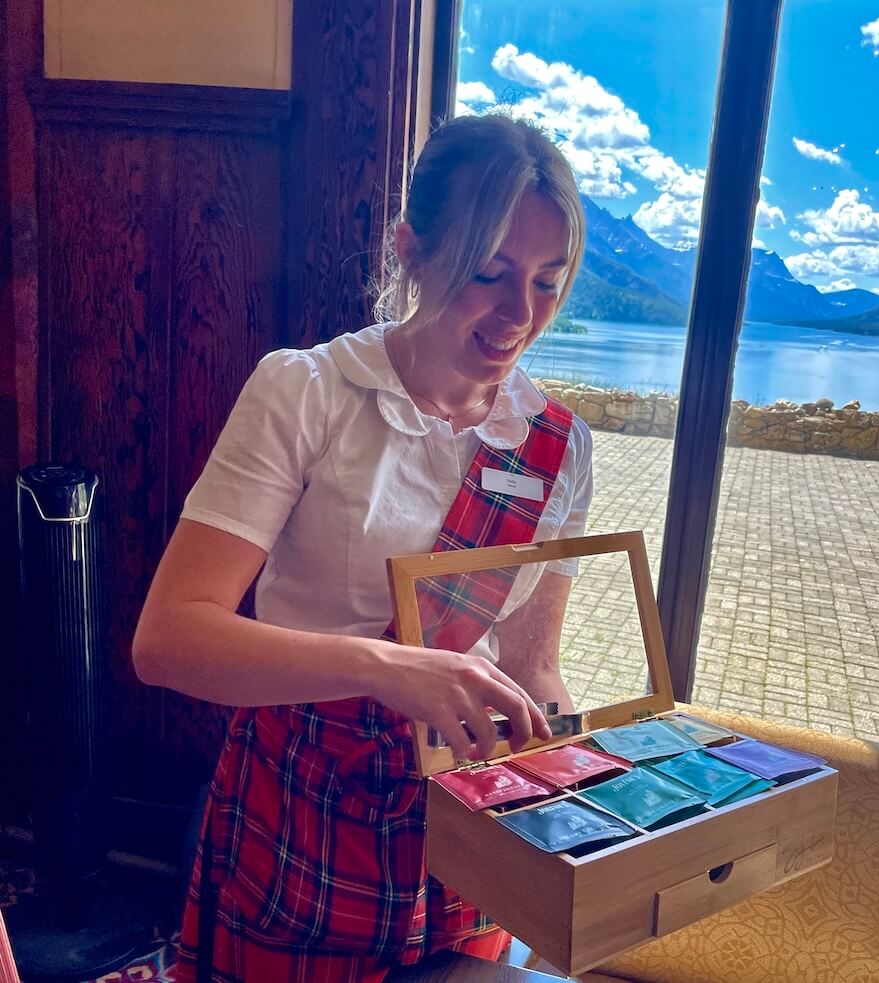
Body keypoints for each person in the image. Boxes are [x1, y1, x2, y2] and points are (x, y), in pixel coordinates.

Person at [132, 112, 593, 982]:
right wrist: (385, 667)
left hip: (460, 830)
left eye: (545, 282)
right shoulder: (306, 392)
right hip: (300, 813)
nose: (517, 315)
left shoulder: (557, 444)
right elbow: (168, 640)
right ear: (411, 249)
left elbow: (532, 670)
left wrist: (586, 798)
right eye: (487, 272)